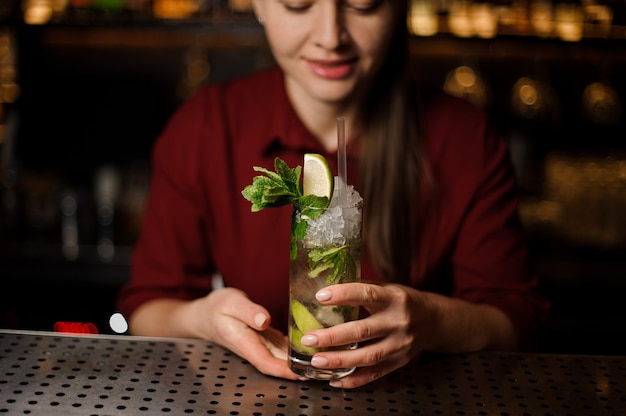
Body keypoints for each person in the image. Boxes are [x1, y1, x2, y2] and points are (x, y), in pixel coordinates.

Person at [116, 0, 550, 389]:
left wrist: (431, 321)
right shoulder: (205, 126)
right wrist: (203, 319)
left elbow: (518, 318)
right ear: (260, 5)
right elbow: (145, 308)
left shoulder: (465, 137)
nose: (330, 37)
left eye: (362, 4)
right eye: (299, 4)